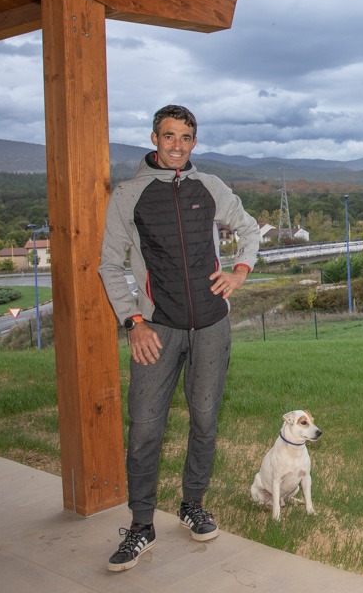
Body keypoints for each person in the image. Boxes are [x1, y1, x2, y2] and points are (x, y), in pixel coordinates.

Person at [98, 104, 260, 572]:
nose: (176, 145)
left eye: (185, 137)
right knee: (146, 427)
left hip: (212, 325)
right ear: (154, 138)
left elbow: (248, 229)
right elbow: (110, 264)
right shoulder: (129, 195)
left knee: (205, 420)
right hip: (157, 329)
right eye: (168, 136)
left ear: (194, 141)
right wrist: (133, 322)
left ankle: (192, 504)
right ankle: (141, 525)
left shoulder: (210, 187)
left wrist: (240, 271)